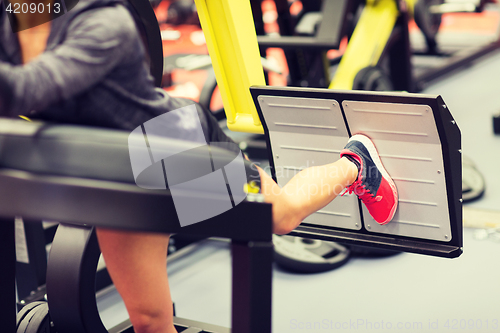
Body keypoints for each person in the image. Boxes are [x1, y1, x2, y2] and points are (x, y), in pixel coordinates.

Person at [0, 0, 398, 332]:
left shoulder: (106, 23)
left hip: (175, 149)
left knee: (281, 215)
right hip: (112, 164)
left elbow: (25, 91)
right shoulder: (19, 15)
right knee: (150, 320)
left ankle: (356, 166)